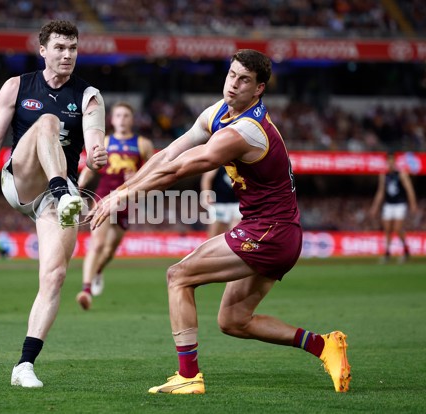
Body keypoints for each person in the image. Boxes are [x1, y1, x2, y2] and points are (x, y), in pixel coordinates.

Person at [91, 49, 350, 394]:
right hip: (278, 231)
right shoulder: (219, 112)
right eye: (231, 75)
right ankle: (324, 346)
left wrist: (121, 196)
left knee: (178, 276)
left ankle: (188, 377)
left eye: (244, 80)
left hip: (267, 232)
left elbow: (179, 168)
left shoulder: (246, 131)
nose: (233, 84)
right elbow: (168, 154)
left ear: (258, 89)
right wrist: (123, 188)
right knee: (233, 321)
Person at [0, 20, 107, 388]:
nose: (67, 55)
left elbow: (95, 139)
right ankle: (64, 191)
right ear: (43, 50)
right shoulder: (16, 86)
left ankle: (24, 365)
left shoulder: (89, 95)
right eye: (60, 48)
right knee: (47, 121)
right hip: (24, 180)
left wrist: (96, 154)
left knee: (56, 275)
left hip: (58, 199)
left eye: (73, 48)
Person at [76, 102, 154, 310]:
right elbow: (91, 167)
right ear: (112, 119)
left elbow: (154, 172)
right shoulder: (105, 142)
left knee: (110, 250)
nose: (121, 119)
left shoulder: (143, 144)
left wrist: (137, 176)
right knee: (97, 245)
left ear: (132, 119)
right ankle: (85, 290)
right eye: (118, 115)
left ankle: (99, 270)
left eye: (126, 115)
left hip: (127, 200)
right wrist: (81, 184)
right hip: (103, 196)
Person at [369, 152, 418, 263]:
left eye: (392, 161)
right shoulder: (383, 175)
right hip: (388, 204)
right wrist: (375, 206)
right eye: (388, 161)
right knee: (387, 229)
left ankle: (405, 250)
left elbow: (409, 189)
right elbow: (380, 192)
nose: (390, 163)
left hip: (400, 204)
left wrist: (413, 203)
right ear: (386, 162)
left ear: (394, 162)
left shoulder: (401, 174)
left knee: (397, 228)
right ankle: (387, 253)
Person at [200, 166, 242, 238]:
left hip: (237, 203)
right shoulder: (218, 163)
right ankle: (211, 248)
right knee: (215, 233)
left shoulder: (239, 163)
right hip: (219, 203)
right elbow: (206, 179)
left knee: (236, 231)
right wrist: (207, 195)